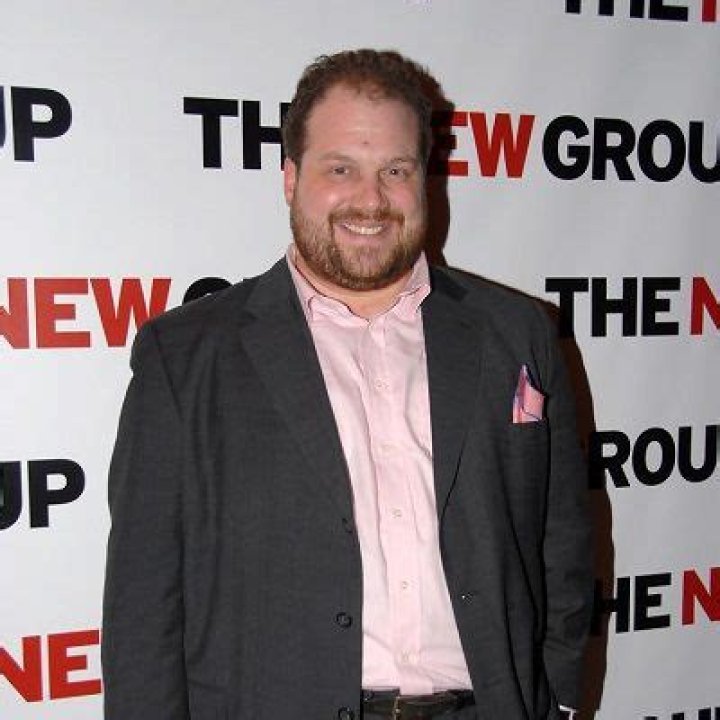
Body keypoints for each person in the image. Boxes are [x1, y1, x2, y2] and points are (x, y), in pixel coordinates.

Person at [102, 49, 592, 720]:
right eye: (341, 169)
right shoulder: (185, 357)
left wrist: (558, 696)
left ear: (425, 179)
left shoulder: (515, 331)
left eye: (396, 170)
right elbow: (143, 599)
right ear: (290, 178)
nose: (371, 199)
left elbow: (561, 538)